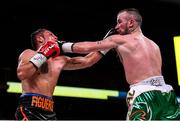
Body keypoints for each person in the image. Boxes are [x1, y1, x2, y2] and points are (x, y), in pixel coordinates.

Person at [59, 8, 180, 120]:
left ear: (131, 23)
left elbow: (87, 48)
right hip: (167, 95)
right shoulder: (154, 45)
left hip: (143, 93)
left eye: (119, 22)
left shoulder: (119, 39)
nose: (116, 26)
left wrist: (61, 45)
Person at [15, 28, 103, 120]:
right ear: (40, 39)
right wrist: (45, 52)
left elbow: (88, 61)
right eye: (50, 35)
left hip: (49, 110)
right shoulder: (29, 53)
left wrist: (108, 43)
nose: (56, 37)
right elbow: (22, 73)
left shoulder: (59, 60)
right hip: (30, 108)